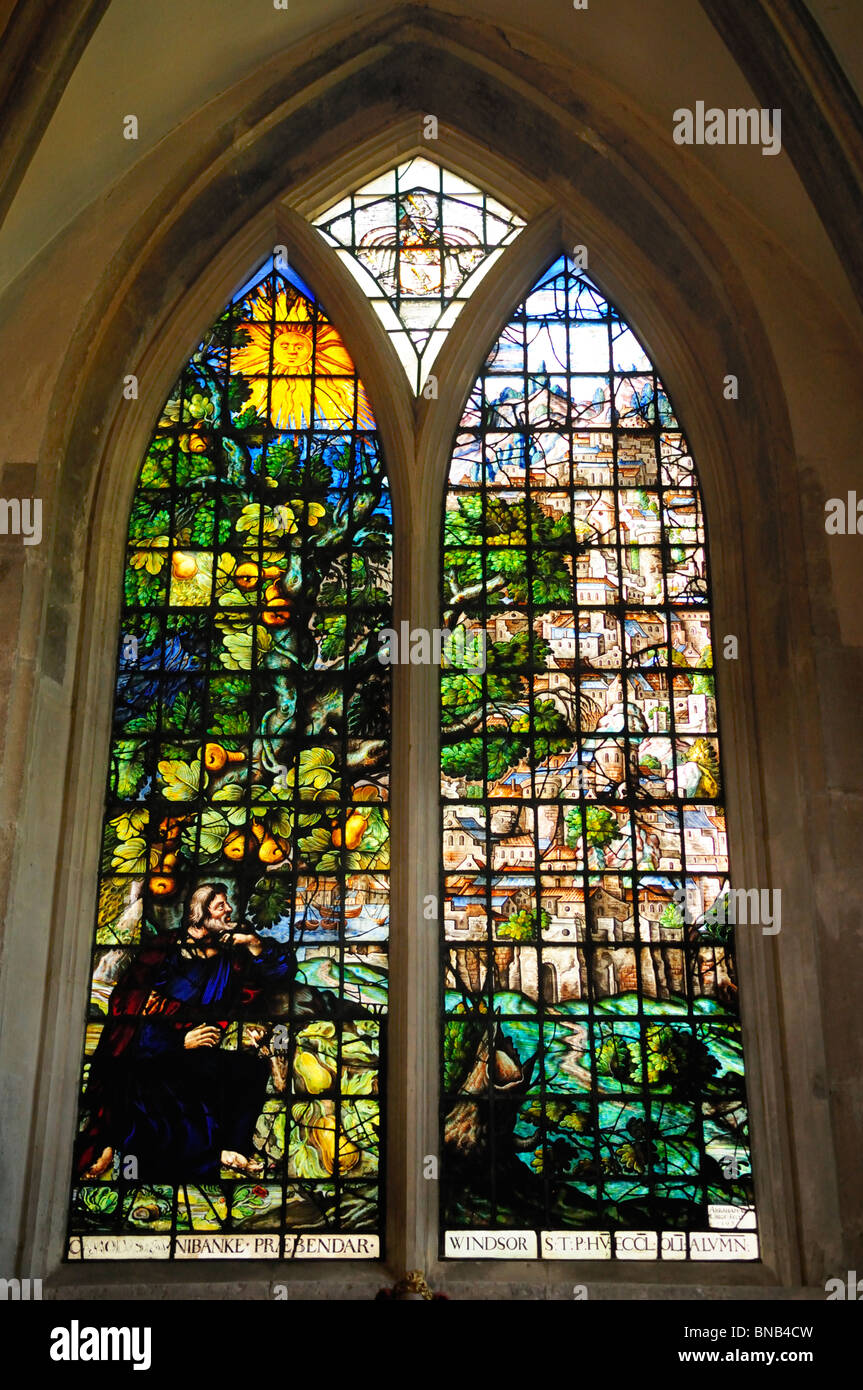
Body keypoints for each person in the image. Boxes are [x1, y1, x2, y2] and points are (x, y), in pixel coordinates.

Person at [76, 883, 295, 1184]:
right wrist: (178, 1040)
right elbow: (129, 1006)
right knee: (160, 1088)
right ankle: (189, 1156)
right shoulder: (163, 950)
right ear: (199, 913)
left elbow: (279, 973)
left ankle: (233, 1148)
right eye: (220, 906)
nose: (228, 910)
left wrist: (253, 940)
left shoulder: (230, 955)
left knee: (249, 1070)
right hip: (154, 1050)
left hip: (203, 1048)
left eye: (227, 904)